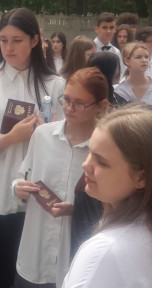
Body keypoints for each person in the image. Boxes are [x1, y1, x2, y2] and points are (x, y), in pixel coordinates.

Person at [0, 8, 65, 288]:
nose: (8, 48)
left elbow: (65, 144)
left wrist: (48, 133)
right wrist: (8, 138)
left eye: (17, 40)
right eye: (3, 40)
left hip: (37, 200)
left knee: (28, 277)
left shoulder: (55, 85)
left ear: (35, 40)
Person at [13, 68, 110, 288]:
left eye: (79, 103)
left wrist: (78, 209)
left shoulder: (107, 148)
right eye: (66, 99)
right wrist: (18, 188)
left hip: (76, 252)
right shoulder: (42, 135)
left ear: (101, 106)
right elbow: (22, 175)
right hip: (35, 250)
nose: (68, 108)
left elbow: (115, 205)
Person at [62, 105, 152, 288]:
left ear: (140, 177)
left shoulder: (104, 252)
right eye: (89, 153)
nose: (86, 164)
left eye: (101, 162)